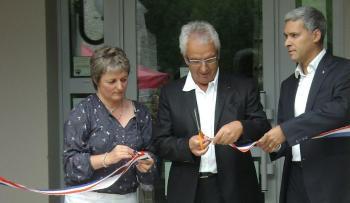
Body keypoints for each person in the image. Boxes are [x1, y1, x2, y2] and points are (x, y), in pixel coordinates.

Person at [153, 21, 271, 203]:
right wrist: (186, 146)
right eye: (195, 61)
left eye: (210, 59)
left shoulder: (243, 86)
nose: (203, 68)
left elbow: (262, 126)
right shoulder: (171, 93)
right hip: (188, 191)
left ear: (218, 54)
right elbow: (160, 142)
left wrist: (241, 127)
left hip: (237, 189)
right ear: (185, 58)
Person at [257, 6, 350, 203]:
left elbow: (340, 110)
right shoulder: (288, 84)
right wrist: (272, 144)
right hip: (295, 179)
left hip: (331, 181)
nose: (286, 43)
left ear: (316, 35)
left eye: (294, 35)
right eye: (285, 36)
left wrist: (285, 130)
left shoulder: (343, 70)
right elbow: (286, 134)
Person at [63, 46, 156, 203]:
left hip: (127, 197)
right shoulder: (84, 111)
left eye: (124, 79)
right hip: (86, 198)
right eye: (111, 81)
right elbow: (70, 166)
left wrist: (147, 165)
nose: (120, 87)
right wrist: (108, 158)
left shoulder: (141, 112)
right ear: (96, 80)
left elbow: (152, 159)